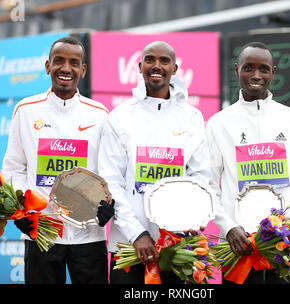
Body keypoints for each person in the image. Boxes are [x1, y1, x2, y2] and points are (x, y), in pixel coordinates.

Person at [206, 41, 290, 284]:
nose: (256, 75)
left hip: (286, 247)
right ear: (237, 70)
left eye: (263, 69)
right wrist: (228, 227)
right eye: (249, 67)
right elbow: (208, 186)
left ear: (273, 72)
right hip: (238, 248)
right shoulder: (219, 123)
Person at [2, 36, 115, 284]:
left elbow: (109, 172)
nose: (66, 68)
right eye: (58, 61)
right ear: (47, 66)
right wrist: (22, 210)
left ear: (83, 70)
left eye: (74, 62)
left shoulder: (100, 115)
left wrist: (109, 204)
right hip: (42, 233)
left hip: (89, 235)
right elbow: (13, 169)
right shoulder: (26, 109)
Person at [98, 41, 211, 284]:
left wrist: (184, 225)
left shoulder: (191, 118)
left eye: (164, 61)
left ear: (175, 68)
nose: (156, 66)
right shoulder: (120, 116)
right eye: (150, 60)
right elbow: (111, 182)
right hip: (128, 247)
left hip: (177, 246)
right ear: (139, 66)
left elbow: (200, 178)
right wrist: (137, 234)